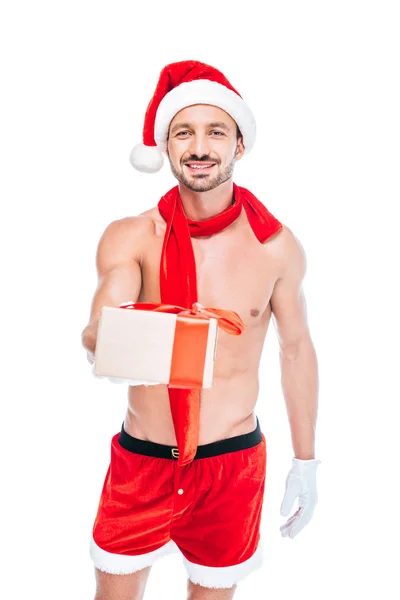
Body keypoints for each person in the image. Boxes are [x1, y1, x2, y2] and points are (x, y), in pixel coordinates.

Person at [82, 60, 321, 600]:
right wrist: (134, 334)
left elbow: (296, 349)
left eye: (216, 131)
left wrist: (305, 462)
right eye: (183, 133)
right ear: (165, 147)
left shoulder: (276, 246)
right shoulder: (132, 236)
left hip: (232, 465)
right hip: (143, 464)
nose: (199, 146)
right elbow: (102, 328)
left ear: (239, 145)